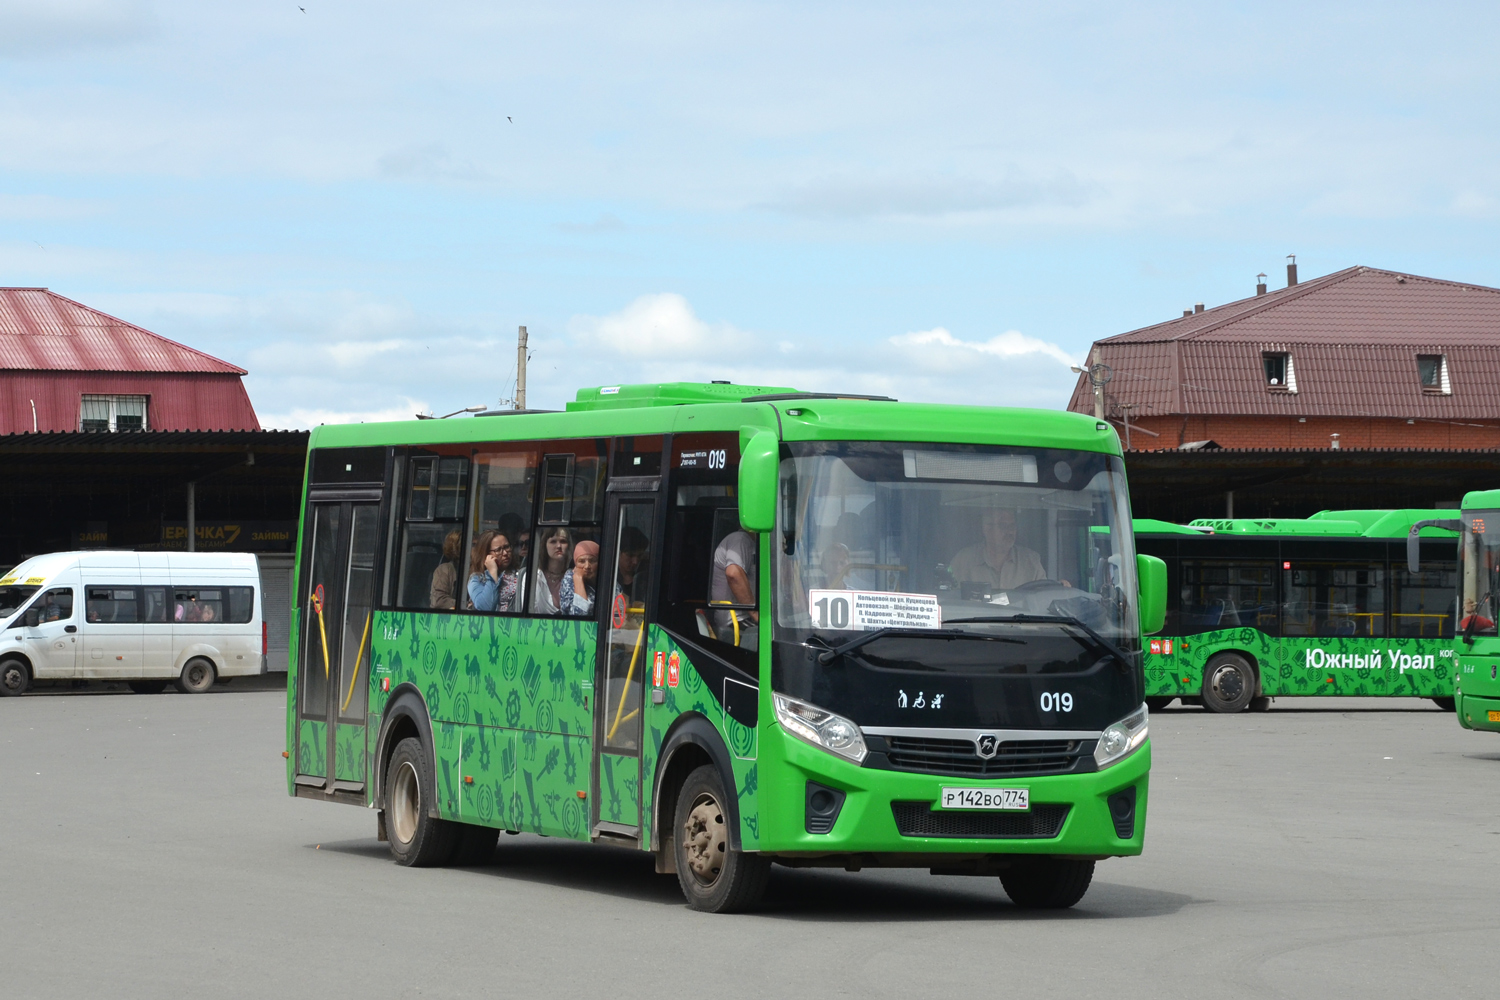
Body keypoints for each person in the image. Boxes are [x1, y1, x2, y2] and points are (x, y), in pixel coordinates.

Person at [948, 507, 1046, 592]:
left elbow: (1043, 598)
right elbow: (949, 598)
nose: (1009, 531)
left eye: (1012, 525)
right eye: (1003, 525)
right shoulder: (964, 560)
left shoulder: (1031, 561)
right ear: (987, 529)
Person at [710, 529, 758, 649]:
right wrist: (754, 612)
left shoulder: (749, 543)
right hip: (737, 619)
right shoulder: (740, 539)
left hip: (741, 617)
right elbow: (734, 574)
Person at [468, 530, 519, 612]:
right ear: (486, 554)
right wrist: (492, 573)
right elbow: (486, 607)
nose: (505, 553)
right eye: (498, 550)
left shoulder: (520, 574)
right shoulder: (477, 579)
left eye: (507, 547)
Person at [529, 526, 573, 614]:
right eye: (553, 541)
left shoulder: (574, 577)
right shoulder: (534, 576)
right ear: (544, 545)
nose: (559, 546)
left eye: (563, 541)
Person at [559, 540, 599, 616]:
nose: (587, 566)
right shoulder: (569, 579)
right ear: (575, 564)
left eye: (592, 561)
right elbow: (579, 616)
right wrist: (578, 580)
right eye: (582, 561)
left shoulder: (606, 579)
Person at [429, 529, 464, 609]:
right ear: (458, 548)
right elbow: (439, 601)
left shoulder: (479, 569)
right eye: (473, 545)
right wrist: (465, 604)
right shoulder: (445, 570)